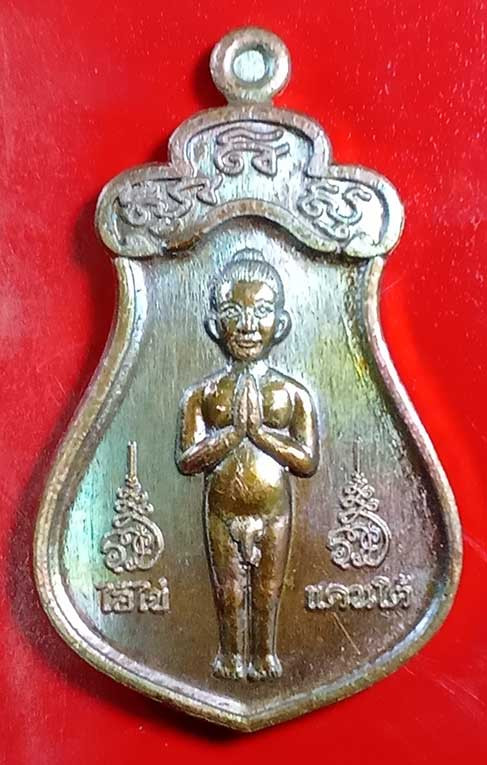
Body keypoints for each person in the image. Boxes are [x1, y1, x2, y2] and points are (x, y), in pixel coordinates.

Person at [176, 248, 319, 680]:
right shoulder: (202, 394)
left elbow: (307, 461)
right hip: (222, 509)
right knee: (229, 588)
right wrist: (233, 434)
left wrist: (260, 435)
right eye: (233, 312)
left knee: (268, 588)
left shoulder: (293, 394)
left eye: (261, 311)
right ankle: (230, 655)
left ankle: (264, 654)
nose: (247, 325)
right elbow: (187, 460)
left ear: (282, 324)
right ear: (214, 325)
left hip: (274, 510)